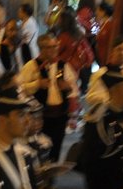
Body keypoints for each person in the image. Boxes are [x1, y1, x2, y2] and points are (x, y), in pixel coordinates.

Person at [15, 34, 79, 162]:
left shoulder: (63, 65)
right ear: (41, 49)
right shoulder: (31, 66)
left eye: (55, 46)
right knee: (40, 147)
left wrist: (68, 88)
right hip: (40, 117)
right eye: (49, 47)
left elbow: (74, 88)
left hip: (60, 114)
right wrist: (37, 84)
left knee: (57, 145)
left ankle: (52, 173)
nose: (54, 49)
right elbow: (19, 88)